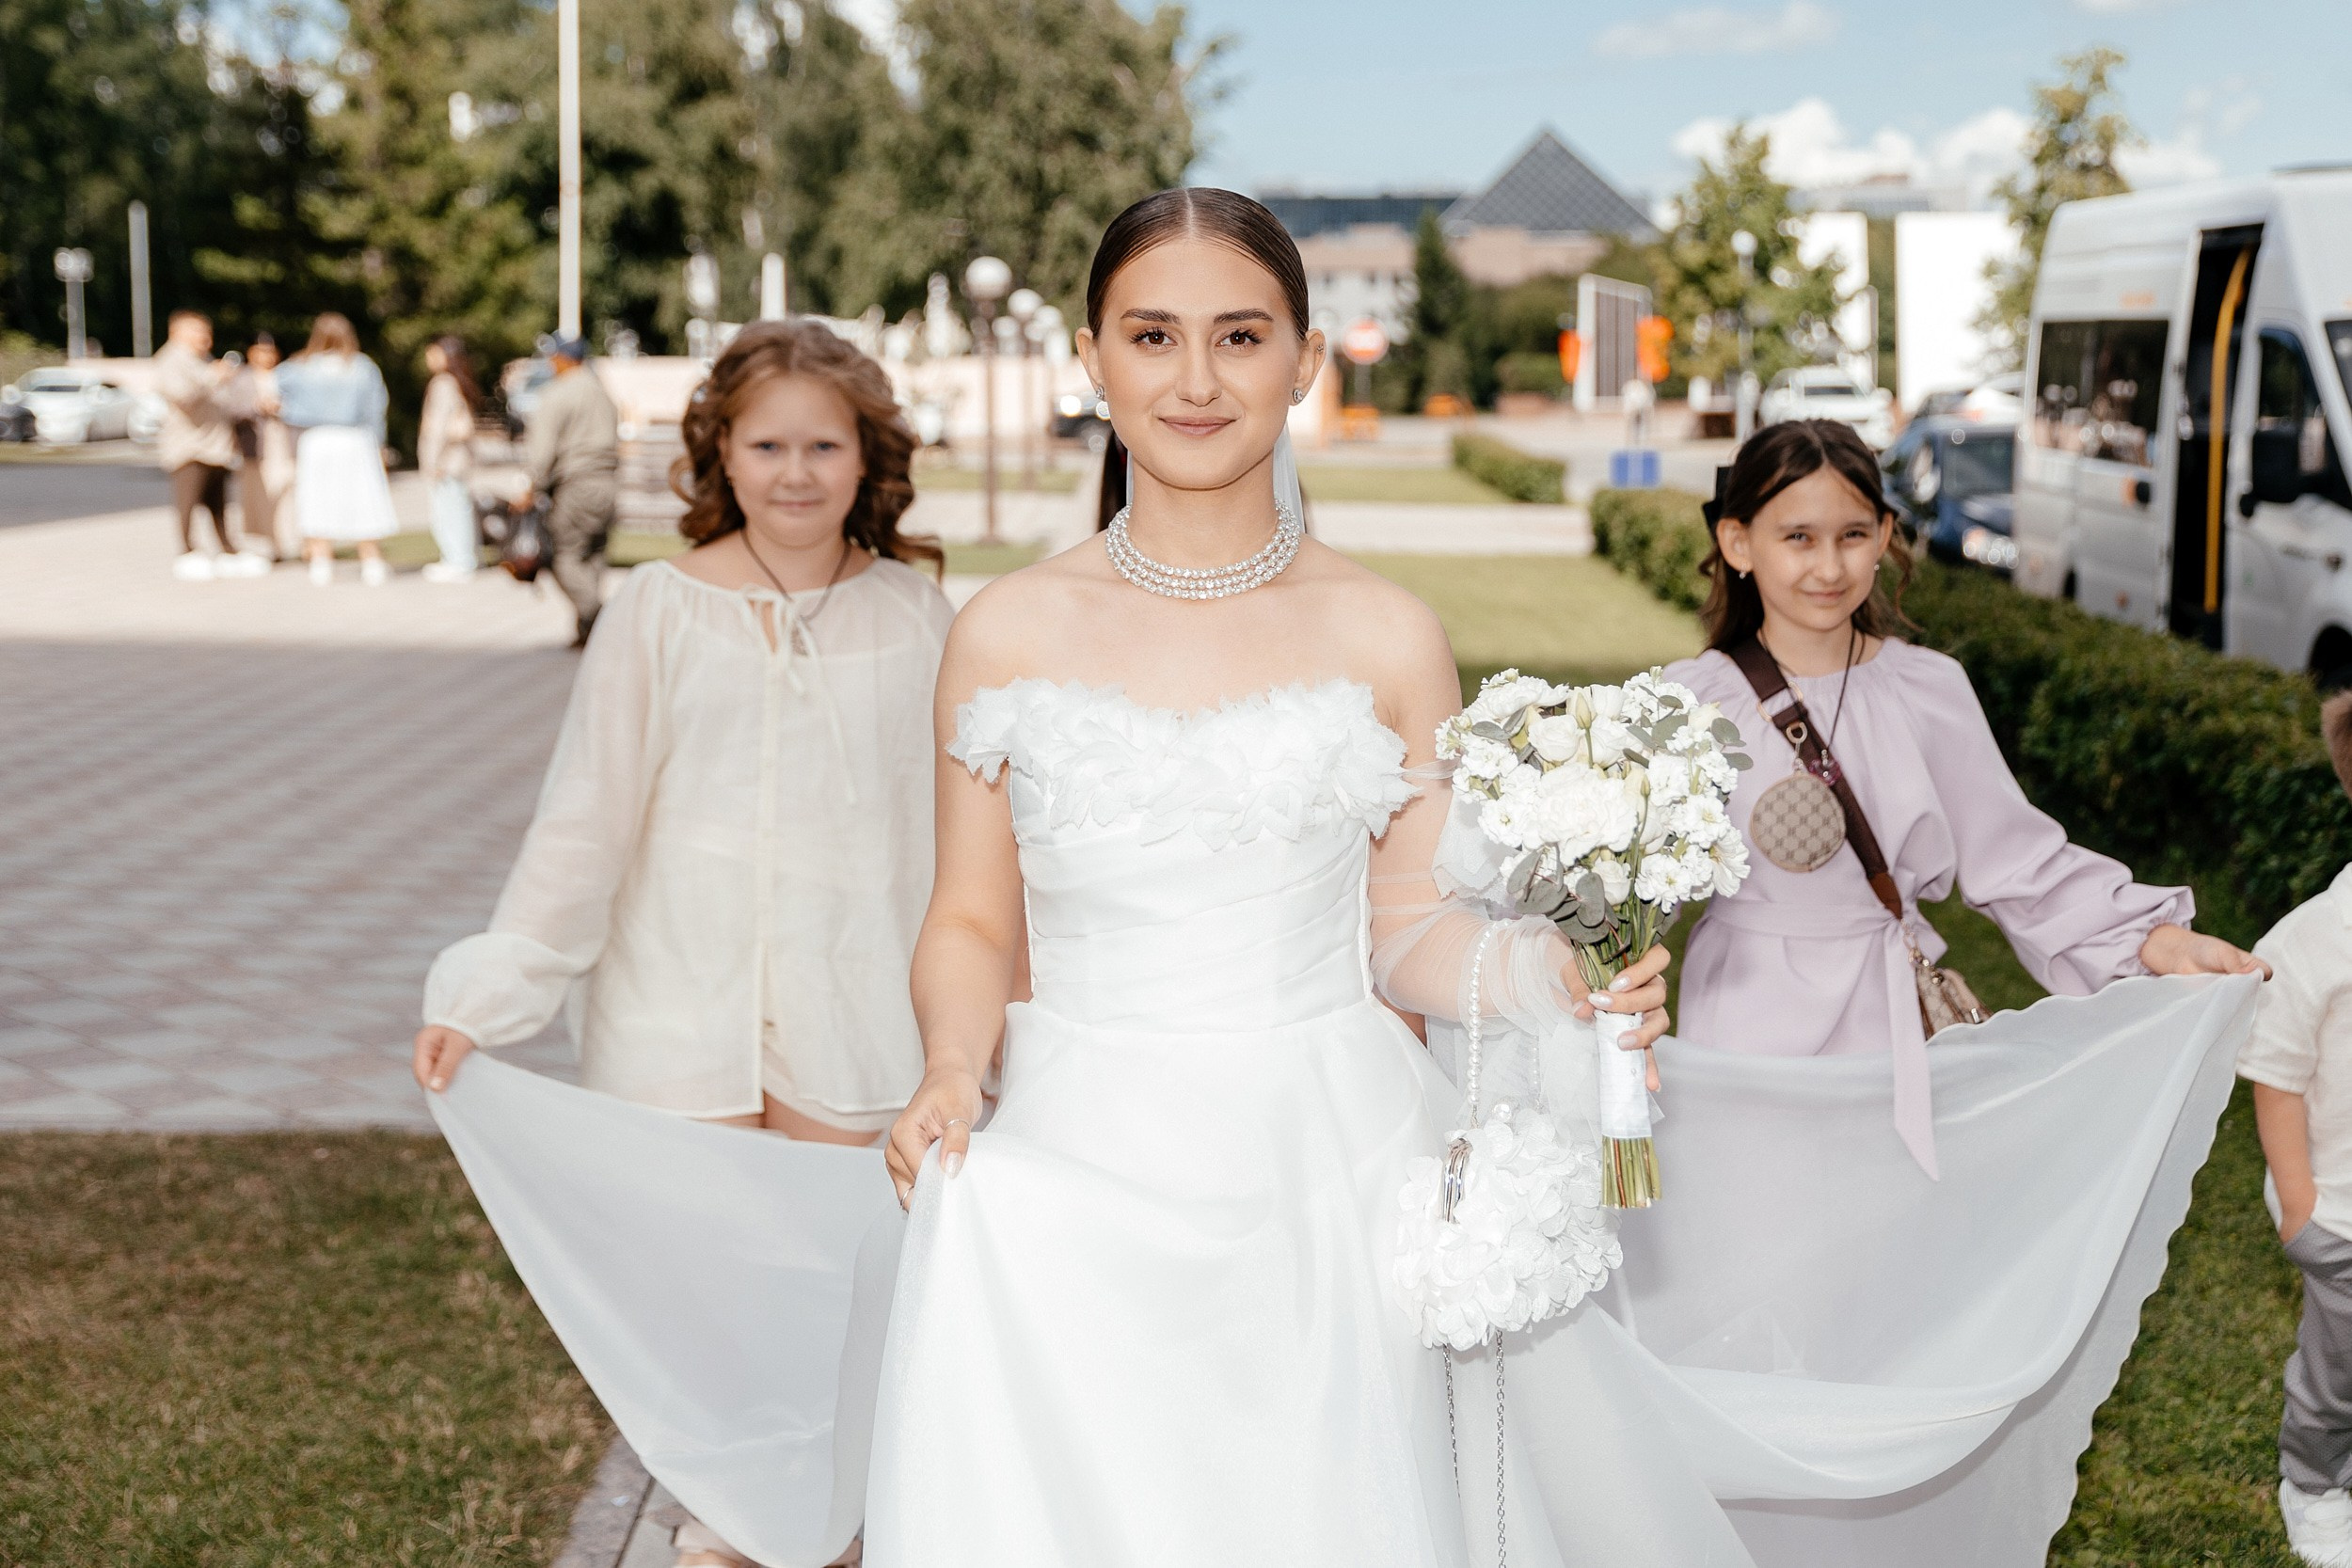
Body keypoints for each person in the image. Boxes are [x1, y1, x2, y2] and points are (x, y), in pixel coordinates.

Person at [419, 197, 2264, 1568]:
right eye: (1150, 334)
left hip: (1320, 1166)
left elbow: (1410, 924)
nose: (1194, 376)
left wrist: (1551, 974)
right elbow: (971, 914)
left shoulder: (1385, 631)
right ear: (1090, 361)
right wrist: (953, 1068)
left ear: (1303, 359)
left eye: (1239, 336)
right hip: (1065, 1170)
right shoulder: (1004, 629)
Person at [1664, 418, 2262, 1172]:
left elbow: (2019, 863)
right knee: (1755, 1222)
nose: (1829, 565)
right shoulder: (1690, 703)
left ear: (1886, 536)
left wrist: (2157, 942)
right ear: (1737, 542)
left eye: (1853, 534)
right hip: (1743, 1032)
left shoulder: (1927, 689)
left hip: (1885, 1029)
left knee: (1881, 1226)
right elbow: (1633, 886)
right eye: (1799, 537)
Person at [2240, 693, 2352, 1568]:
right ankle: (2313, 1484)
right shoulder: (2316, 937)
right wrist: (2300, 1205)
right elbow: (2275, 1076)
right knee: (2337, 1376)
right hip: (2343, 1219)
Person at [273, 312, 398, 587]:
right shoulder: (362, 367)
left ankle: (321, 561)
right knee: (362, 498)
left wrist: (289, 411)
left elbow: (273, 391)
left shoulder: (298, 367)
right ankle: (371, 561)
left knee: (317, 499)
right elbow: (376, 410)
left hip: (317, 439)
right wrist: (380, 444)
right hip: (354, 439)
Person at [152, 310, 266, 580]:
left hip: (215, 447)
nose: (205, 337)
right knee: (188, 503)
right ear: (176, 332)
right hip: (190, 447)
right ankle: (187, 552)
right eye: (197, 331)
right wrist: (213, 377)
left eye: (206, 331)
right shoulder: (171, 360)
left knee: (218, 504)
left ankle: (227, 550)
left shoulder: (201, 360)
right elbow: (182, 396)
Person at [523, 333, 621, 645]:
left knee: (562, 554)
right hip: (607, 484)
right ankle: (587, 633)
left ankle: (597, 616)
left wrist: (531, 486)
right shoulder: (601, 392)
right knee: (592, 556)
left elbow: (542, 452)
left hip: (575, 485)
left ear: (562, 358)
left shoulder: (558, 394)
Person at [418, 337, 482, 583]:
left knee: (449, 511)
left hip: (447, 462)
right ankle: (462, 558)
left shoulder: (443, 383)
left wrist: (433, 462)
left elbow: (438, 428)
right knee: (457, 508)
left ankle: (458, 560)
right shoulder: (455, 382)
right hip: (456, 460)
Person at [232, 334, 299, 562]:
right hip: (257, 446)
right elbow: (231, 409)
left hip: (284, 443)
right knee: (260, 497)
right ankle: (265, 543)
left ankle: (288, 542)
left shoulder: (286, 376)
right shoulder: (242, 378)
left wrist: (282, 408)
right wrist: (256, 407)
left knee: (287, 492)